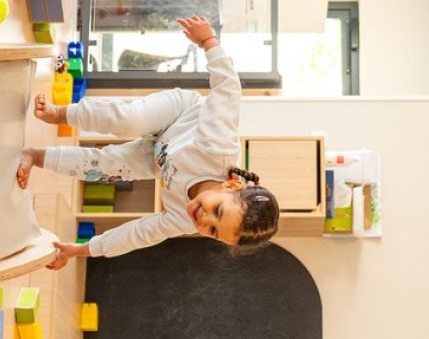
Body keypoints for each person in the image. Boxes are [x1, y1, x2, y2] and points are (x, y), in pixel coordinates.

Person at [17, 16, 278, 270]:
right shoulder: (217, 145)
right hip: (179, 114)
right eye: (218, 211)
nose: (204, 220)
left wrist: (79, 250)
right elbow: (228, 91)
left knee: (105, 167)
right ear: (232, 184)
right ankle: (59, 114)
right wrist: (208, 40)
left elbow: (138, 235)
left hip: (158, 158)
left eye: (212, 231)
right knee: (132, 120)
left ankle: (36, 156)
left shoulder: (183, 220)